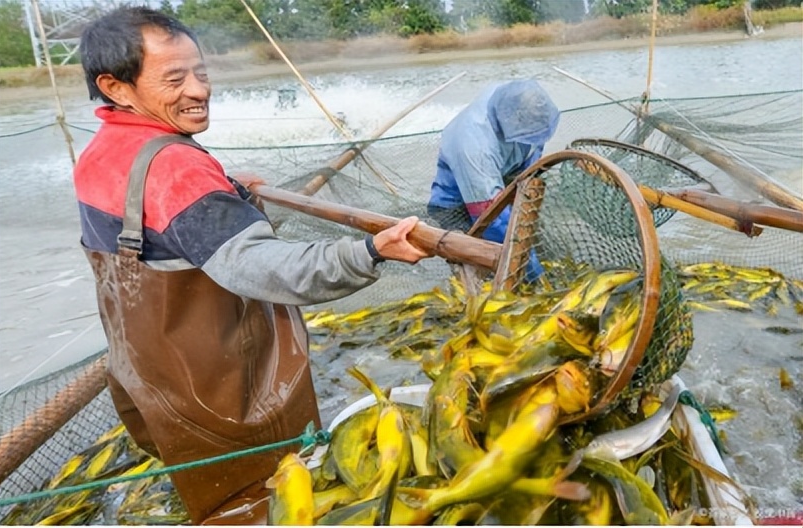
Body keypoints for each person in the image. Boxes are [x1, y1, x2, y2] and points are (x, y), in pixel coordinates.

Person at [74, 7, 429, 525]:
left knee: (214, 499)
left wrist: (228, 193)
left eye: (201, 72)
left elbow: (155, 227)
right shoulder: (176, 166)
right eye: (174, 78)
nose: (198, 89)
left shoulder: (104, 150)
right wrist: (369, 251)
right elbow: (264, 268)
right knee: (272, 500)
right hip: (227, 393)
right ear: (117, 87)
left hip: (153, 381)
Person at [427, 79, 560, 278]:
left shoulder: (517, 97)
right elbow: (491, 218)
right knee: (482, 265)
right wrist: (534, 274)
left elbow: (535, 147)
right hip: (458, 206)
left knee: (531, 240)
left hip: (503, 179)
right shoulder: (473, 147)